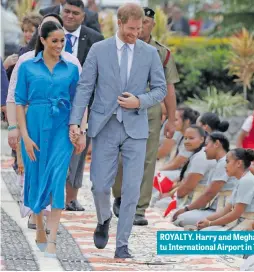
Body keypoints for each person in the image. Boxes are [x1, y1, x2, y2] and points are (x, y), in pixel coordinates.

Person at [69, 3, 167, 258]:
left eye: (140, 28)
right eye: (132, 28)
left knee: (131, 190)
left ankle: (122, 245)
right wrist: (75, 122)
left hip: (136, 127)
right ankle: (103, 219)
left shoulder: (149, 53)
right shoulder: (99, 50)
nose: (136, 33)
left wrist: (140, 101)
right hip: (105, 125)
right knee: (100, 186)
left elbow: (160, 89)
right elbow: (84, 88)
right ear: (120, 23)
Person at [6, 14, 85, 229]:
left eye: (62, 40)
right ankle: (35, 212)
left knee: (58, 172)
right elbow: (15, 96)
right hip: (34, 122)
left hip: (61, 125)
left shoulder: (72, 64)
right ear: (42, 38)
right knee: (35, 171)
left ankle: (51, 223)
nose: (60, 44)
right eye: (55, 40)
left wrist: (80, 129)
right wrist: (14, 128)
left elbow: (80, 99)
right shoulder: (26, 63)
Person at [111, 7, 180, 226]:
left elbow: (169, 88)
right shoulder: (114, 47)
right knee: (119, 157)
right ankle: (121, 196)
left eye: (146, 23)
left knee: (146, 159)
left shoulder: (161, 53)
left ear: (150, 25)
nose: (141, 28)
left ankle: (139, 208)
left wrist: (171, 118)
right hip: (120, 106)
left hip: (149, 110)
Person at [61, 0, 104, 212]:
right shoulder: (49, 31)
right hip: (55, 103)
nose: (69, 16)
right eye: (66, 11)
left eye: (75, 13)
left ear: (83, 16)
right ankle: (50, 196)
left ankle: (71, 198)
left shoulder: (95, 40)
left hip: (85, 105)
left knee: (78, 151)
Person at [172, 132, 237, 227]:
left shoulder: (224, 163)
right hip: (213, 209)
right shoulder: (220, 162)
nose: (205, 149)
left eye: (207, 145)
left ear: (217, 144)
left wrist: (187, 209)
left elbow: (209, 194)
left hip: (222, 212)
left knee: (181, 219)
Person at [197, 148, 254, 231]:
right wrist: (206, 220)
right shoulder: (241, 179)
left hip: (248, 226)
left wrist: (210, 223)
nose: (225, 166)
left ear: (238, 163)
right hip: (240, 223)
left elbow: (236, 214)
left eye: (227, 161)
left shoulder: (247, 181)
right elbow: (226, 210)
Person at [154, 126, 216, 210]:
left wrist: (169, 194)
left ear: (202, 139)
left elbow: (187, 188)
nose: (187, 141)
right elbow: (183, 179)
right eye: (185, 138)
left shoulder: (201, 157)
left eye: (191, 138)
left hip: (194, 200)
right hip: (187, 194)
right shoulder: (197, 153)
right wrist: (168, 189)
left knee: (160, 204)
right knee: (157, 194)